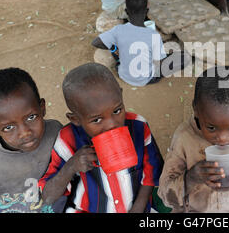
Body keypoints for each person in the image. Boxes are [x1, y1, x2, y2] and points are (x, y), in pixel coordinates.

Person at [38, 63, 164, 213]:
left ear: (121, 95)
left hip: (138, 207)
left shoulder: (139, 127)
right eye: (97, 120)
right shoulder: (68, 139)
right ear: (75, 119)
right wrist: (72, 166)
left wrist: (138, 208)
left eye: (117, 110)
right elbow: (48, 196)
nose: (112, 124)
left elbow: (151, 172)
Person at [158, 66, 229, 212]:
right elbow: (165, 194)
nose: (223, 139)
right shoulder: (184, 138)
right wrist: (190, 178)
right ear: (196, 110)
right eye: (211, 127)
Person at [0, 68, 65, 213]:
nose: (25, 133)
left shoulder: (55, 132)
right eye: (8, 127)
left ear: (42, 108)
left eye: (31, 117)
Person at [92, 0, 186, 86]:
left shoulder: (118, 29)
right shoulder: (153, 35)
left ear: (126, 12)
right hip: (146, 79)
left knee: (120, 51)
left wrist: (115, 48)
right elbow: (159, 63)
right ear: (147, 12)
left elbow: (96, 42)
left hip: (123, 75)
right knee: (183, 58)